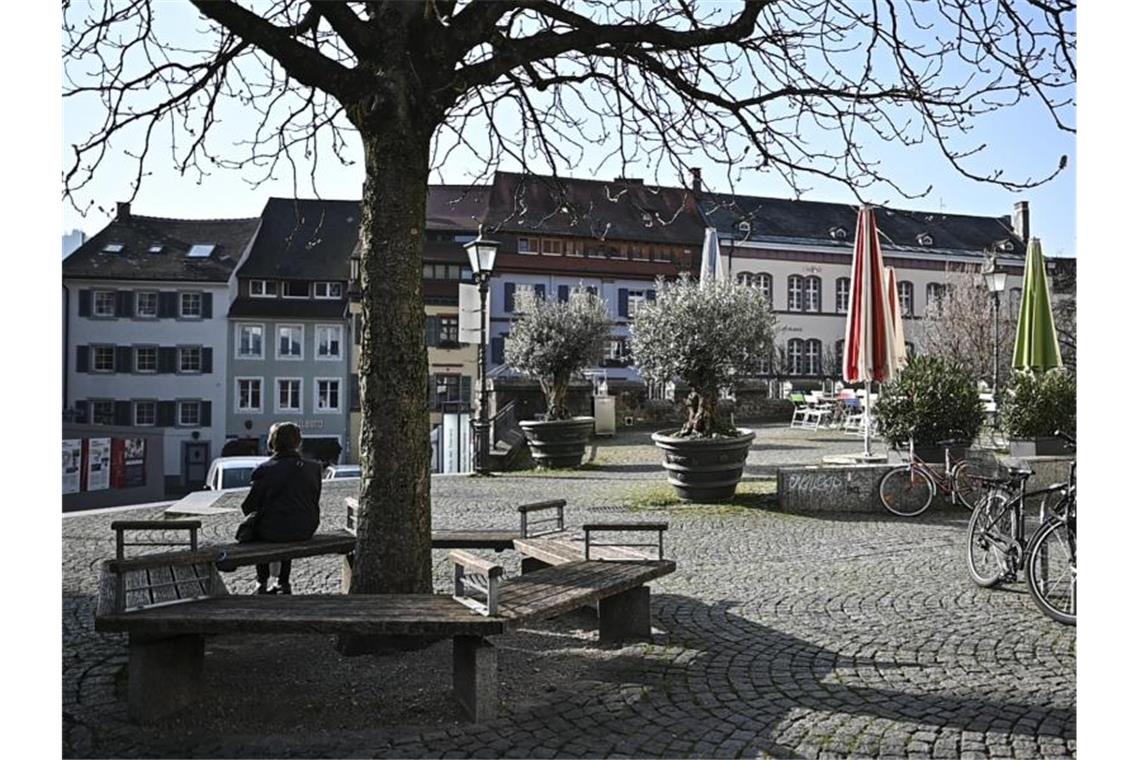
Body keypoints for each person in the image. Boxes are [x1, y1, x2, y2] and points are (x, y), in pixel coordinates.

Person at [237, 422, 322, 594]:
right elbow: (314, 498)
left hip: (274, 530)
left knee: (265, 525)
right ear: (298, 443)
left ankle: (261, 581)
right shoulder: (313, 468)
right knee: (288, 520)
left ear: (272, 443)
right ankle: (283, 582)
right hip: (305, 528)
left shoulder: (265, 470)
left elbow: (249, 506)